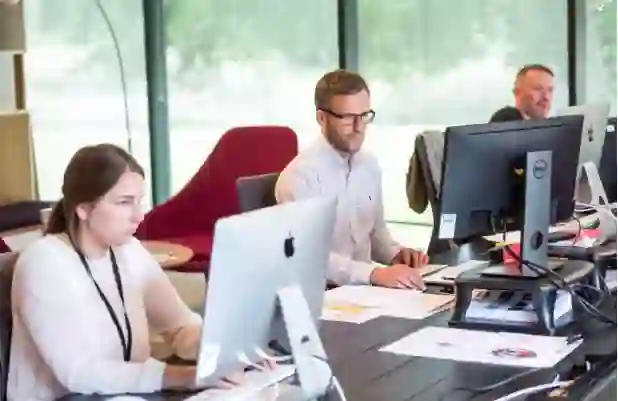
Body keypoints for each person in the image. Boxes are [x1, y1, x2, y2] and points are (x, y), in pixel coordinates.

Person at [7, 144, 241, 401]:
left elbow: (180, 324)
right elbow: (79, 373)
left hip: (128, 393)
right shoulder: (44, 262)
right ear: (83, 209)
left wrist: (222, 352)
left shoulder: (129, 251)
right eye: (124, 202)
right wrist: (180, 377)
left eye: (139, 201)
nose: (138, 216)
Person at [275, 69, 428, 290]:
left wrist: (397, 255)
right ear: (321, 118)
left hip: (364, 291)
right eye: (347, 118)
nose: (358, 128)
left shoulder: (369, 165)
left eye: (364, 116)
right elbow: (309, 255)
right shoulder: (299, 177)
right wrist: (374, 274)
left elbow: (374, 234)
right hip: (323, 294)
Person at [490, 64, 555, 122]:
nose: (546, 96)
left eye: (550, 90)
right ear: (517, 92)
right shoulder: (502, 123)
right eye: (537, 88)